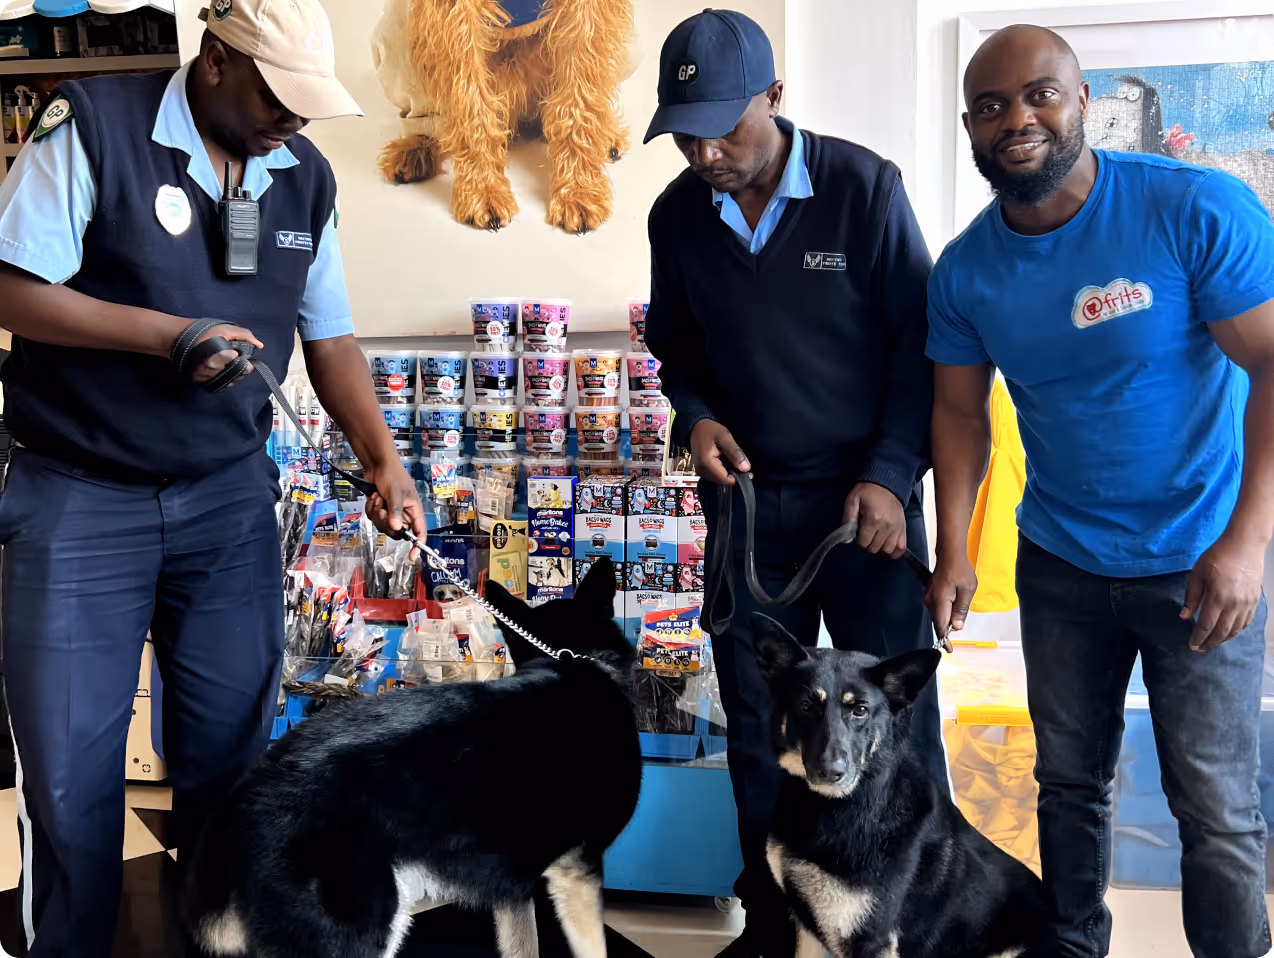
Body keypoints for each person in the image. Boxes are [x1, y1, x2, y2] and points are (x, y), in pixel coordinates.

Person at [0, 1, 426, 953]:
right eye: (279, 97)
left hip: (228, 501)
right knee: (70, 783)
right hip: (78, 496)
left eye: (309, 106)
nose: (295, 121)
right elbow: (14, 288)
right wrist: (167, 337)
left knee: (233, 773)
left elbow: (331, 334)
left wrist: (383, 460)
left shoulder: (303, 177)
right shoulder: (96, 128)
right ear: (216, 61)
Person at [924, 24, 1274, 958]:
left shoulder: (1192, 209)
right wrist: (952, 543)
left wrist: (1246, 543)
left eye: (1040, 94)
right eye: (993, 106)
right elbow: (959, 417)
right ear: (970, 127)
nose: (1018, 119)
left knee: (1215, 808)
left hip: (1200, 559)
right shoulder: (966, 271)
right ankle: (1072, 948)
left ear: (1082, 101)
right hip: (1062, 565)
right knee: (1068, 785)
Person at [642, 11, 940, 957]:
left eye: (723, 125)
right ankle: (775, 924)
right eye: (685, 131)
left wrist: (892, 476)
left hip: (868, 509)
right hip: (749, 508)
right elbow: (674, 347)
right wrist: (695, 417)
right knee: (760, 736)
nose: (704, 150)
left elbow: (921, 348)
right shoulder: (675, 215)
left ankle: (911, 923)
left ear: (775, 97)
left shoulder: (864, 189)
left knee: (895, 731)